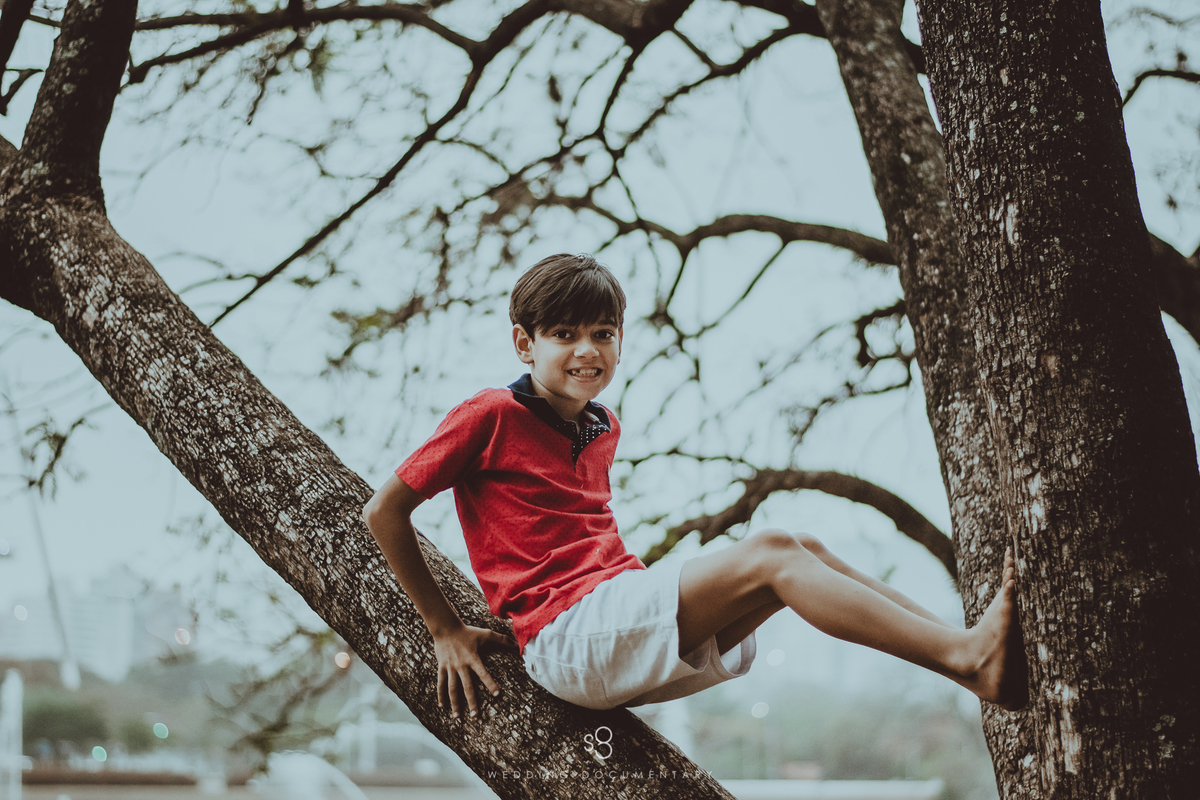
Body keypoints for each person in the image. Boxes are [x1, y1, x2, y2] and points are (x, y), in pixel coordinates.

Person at [362, 253, 1028, 719]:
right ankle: (966, 652)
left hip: (613, 617)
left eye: (602, 334)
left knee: (803, 548)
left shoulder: (600, 427)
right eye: (564, 334)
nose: (587, 350)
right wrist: (444, 630)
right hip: (570, 637)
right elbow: (385, 512)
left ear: (621, 344)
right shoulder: (491, 415)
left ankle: (968, 659)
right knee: (772, 551)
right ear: (524, 343)